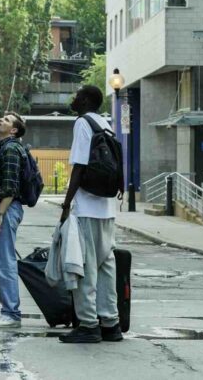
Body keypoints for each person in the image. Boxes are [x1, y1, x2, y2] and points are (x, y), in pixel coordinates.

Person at [59, 85, 122, 344]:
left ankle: (88, 324)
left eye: (77, 96)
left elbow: (79, 166)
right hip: (107, 208)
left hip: (87, 208)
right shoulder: (106, 124)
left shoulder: (82, 123)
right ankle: (111, 323)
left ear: (85, 100)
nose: (73, 100)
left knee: (84, 266)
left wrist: (66, 204)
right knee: (106, 267)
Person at [0, 112, 28, 329]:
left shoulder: (10, 149)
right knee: (4, 260)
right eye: (2, 118)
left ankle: (10, 313)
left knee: (5, 262)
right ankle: (9, 311)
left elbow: (10, 186)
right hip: (4, 209)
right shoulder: (6, 147)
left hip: (5, 209)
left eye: (7, 120)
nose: (1, 120)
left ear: (14, 130)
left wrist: (0, 214)